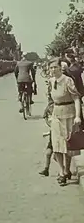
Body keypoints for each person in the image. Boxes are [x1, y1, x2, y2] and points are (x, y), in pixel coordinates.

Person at [48, 57, 82, 186]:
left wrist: (77, 116)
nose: (53, 70)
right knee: (56, 144)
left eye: (55, 67)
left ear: (60, 68)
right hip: (56, 114)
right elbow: (51, 100)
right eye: (51, 68)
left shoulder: (68, 81)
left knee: (68, 144)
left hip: (69, 113)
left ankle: (67, 169)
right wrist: (50, 114)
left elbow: (76, 99)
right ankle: (62, 172)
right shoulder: (51, 81)